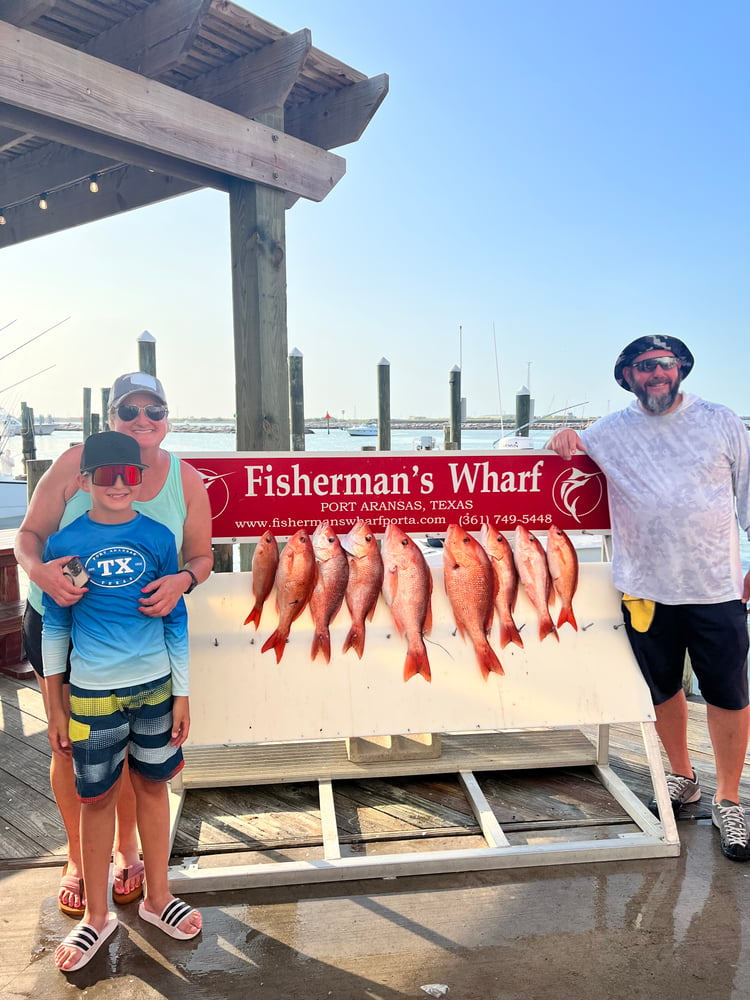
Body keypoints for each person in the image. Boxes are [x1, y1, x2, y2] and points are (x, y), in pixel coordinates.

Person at [15, 372, 213, 916]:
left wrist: (181, 581)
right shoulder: (75, 465)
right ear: (111, 418)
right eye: (131, 412)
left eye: (155, 411)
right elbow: (27, 537)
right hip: (63, 623)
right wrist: (42, 573)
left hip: (140, 639)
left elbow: (201, 556)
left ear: (168, 418)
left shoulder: (186, 479)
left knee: (134, 749)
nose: (143, 421)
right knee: (71, 742)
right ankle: (79, 858)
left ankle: (128, 851)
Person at [547, 335, 750, 861]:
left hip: (716, 588)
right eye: (642, 367)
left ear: (680, 368)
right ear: (627, 377)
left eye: (663, 364)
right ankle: (684, 778)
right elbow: (569, 449)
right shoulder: (610, 431)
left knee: (729, 693)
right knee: (662, 690)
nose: (655, 373)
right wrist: (567, 434)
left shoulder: (723, 421)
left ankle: (729, 797)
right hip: (644, 590)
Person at [44, 431, 202, 971]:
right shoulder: (67, 545)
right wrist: (54, 706)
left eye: (128, 474)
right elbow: (56, 625)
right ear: (83, 480)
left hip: (157, 688)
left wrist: (182, 694)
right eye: (104, 474)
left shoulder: (159, 539)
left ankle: (158, 897)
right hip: (91, 696)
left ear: (141, 478)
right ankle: (97, 915)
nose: (117, 483)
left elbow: (176, 620)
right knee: (96, 798)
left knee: (154, 786)